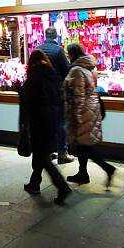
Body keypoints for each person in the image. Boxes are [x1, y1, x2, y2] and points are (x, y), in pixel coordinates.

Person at [20, 49, 72, 204]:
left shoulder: (34, 77)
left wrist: (24, 124)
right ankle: (34, 183)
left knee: (42, 156)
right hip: (53, 121)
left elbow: (28, 101)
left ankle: (62, 186)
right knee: (41, 153)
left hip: (39, 121)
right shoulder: (53, 75)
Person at [64, 43, 116, 188]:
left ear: (72, 54)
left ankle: (107, 168)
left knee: (85, 145)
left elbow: (78, 96)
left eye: (68, 54)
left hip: (83, 111)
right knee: (83, 144)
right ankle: (83, 173)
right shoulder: (90, 67)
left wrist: (77, 116)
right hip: (92, 108)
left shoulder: (76, 71)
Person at [35, 27, 73, 164]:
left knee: (45, 123)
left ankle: (48, 151)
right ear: (56, 36)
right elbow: (66, 70)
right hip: (56, 92)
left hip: (39, 93)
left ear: (45, 35)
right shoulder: (58, 50)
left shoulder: (37, 49)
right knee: (60, 123)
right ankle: (62, 153)